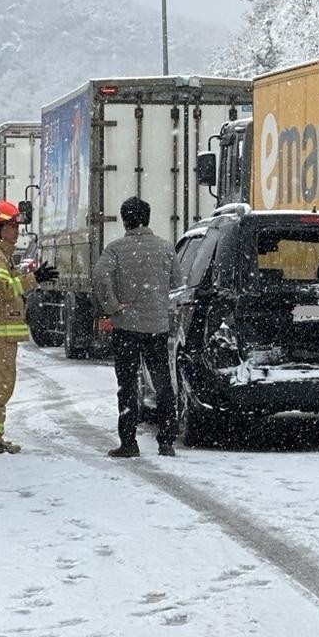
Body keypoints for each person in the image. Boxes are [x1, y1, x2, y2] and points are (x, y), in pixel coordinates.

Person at [92, 196, 177, 458]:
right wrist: (159, 300)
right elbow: (177, 281)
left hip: (127, 326)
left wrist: (113, 306)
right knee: (162, 382)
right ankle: (166, 441)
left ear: (125, 220)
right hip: (157, 326)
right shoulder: (165, 248)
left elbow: (99, 276)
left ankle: (129, 442)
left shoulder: (115, 249)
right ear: (148, 218)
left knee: (127, 384)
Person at [0, 201, 55, 453]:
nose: (17, 230)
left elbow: (6, 284)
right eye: (12, 225)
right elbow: (3, 290)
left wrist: (31, 278)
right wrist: (33, 279)